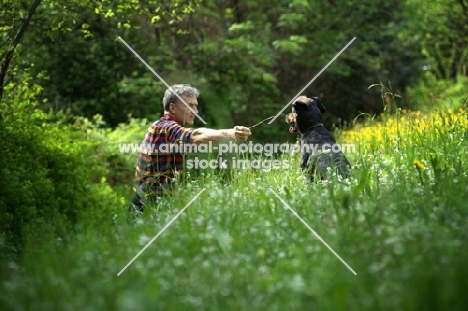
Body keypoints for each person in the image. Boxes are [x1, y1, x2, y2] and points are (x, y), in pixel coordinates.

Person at [130, 84, 251, 216]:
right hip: (148, 206)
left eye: (196, 106)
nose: (196, 111)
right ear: (172, 108)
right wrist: (231, 133)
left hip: (151, 202)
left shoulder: (160, 126)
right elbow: (196, 135)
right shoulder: (165, 128)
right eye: (190, 105)